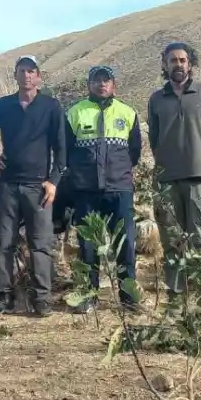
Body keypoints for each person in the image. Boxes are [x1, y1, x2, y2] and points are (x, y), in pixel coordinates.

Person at [0, 55, 66, 317]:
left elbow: (61, 148)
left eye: (31, 71)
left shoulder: (51, 106)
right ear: (15, 75)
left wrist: (53, 181)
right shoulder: (4, 105)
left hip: (38, 187)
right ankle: (3, 297)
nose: (27, 75)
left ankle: (41, 299)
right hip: (8, 184)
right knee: (3, 243)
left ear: (38, 76)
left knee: (40, 244)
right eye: (22, 71)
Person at [147, 42, 201, 299]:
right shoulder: (156, 99)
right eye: (173, 60)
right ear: (165, 64)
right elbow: (154, 139)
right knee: (172, 242)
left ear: (190, 64)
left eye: (182, 60)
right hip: (167, 182)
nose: (178, 64)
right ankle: (176, 299)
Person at [65, 65, 143, 313]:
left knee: (125, 244)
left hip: (119, 189)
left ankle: (129, 299)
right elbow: (66, 150)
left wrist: (118, 172)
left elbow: (134, 152)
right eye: (96, 80)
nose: (101, 84)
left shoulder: (127, 113)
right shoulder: (75, 112)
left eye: (106, 80)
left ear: (113, 85)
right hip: (86, 191)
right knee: (88, 246)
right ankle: (89, 296)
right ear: (89, 85)